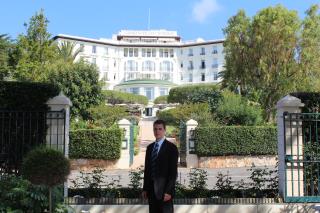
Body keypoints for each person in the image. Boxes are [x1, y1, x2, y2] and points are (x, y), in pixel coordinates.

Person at [142, 119, 179, 213]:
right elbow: (147, 170)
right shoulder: (150, 148)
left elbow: (173, 173)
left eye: (160, 129)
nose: (157, 131)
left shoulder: (171, 148)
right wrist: (145, 189)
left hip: (165, 193)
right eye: (155, 129)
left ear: (164, 130)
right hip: (151, 192)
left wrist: (169, 191)